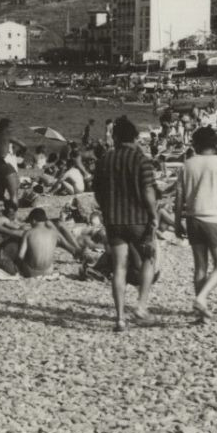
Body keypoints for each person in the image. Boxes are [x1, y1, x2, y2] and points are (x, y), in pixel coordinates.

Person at [92, 115, 159, 332]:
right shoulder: (142, 160)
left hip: (114, 220)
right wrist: (153, 214)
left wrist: (105, 208)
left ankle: (120, 318)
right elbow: (149, 191)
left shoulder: (105, 160)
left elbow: (97, 191)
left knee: (118, 267)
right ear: (135, 137)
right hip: (139, 219)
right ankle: (141, 306)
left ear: (116, 137)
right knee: (149, 258)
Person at [176, 126, 217, 320]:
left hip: (193, 218)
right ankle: (202, 298)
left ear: (195, 144)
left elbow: (179, 197)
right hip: (214, 219)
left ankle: (200, 314)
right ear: (214, 144)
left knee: (200, 267)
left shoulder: (187, 165)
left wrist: (177, 222)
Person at [0, 118, 21, 207]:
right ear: (6, 127)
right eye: (10, 127)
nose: (12, 129)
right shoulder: (8, 136)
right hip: (6, 165)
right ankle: (13, 216)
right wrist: (20, 152)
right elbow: (24, 145)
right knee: (13, 194)